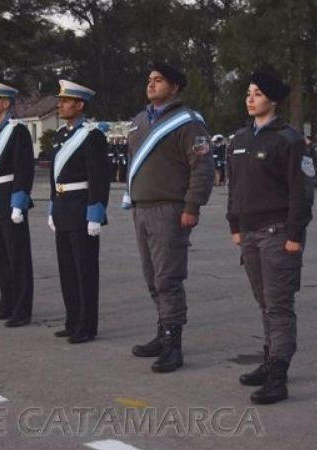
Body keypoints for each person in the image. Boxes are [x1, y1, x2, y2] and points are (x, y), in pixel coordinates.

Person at [226, 68, 314, 405]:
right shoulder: (239, 139)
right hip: (248, 234)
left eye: (258, 94)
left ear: (273, 100)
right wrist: (234, 225)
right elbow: (234, 187)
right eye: (248, 93)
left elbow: (301, 192)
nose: (250, 99)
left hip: (278, 234)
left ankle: (279, 374)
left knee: (278, 306)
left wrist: (295, 234)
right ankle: (269, 360)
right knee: (264, 303)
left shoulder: (288, 139)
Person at [125, 62, 214, 373]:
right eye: (149, 79)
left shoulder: (188, 123)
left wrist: (193, 206)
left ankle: (174, 345)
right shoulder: (138, 121)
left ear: (175, 87)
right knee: (152, 277)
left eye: (159, 80)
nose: (151, 84)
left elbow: (202, 168)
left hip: (170, 209)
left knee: (168, 278)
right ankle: (162, 333)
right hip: (142, 209)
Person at [48, 80, 111, 344]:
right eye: (60, 100)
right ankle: (72, 319)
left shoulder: (92, 135)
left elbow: (99, 176)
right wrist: (52, 205)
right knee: (67, 268)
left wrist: (96, 212)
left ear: (80, 104)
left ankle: (86, 325)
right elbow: (55, 175)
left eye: (65, 101)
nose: (60, 105)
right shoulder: (61, 135)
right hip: (63, 206)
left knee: (84, 269)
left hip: (82, 207)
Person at [0, 80, 35, 327]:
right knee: (1, 255)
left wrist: (19, 202)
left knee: (18, 256)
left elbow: (24, 169)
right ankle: (7, 303)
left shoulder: (18, 130)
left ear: (5, 103)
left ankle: (22, 309)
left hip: (11, 197)